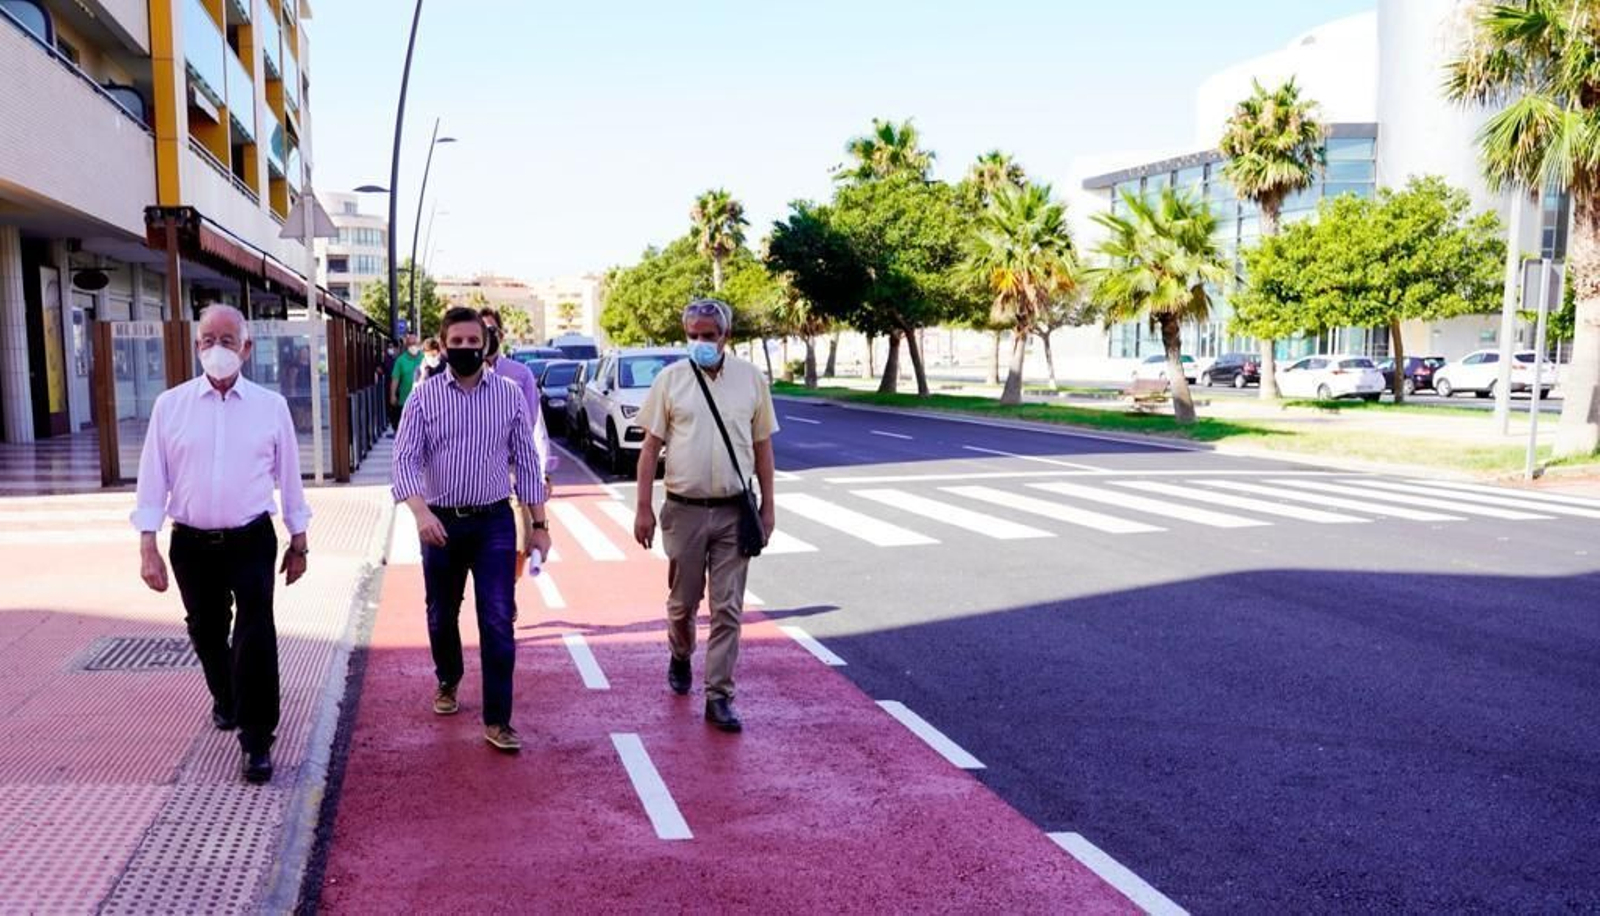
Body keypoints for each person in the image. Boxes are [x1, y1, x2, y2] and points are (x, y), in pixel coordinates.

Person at [132, 304, 311, 784]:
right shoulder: (170, 406)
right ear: (196, 347)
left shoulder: (270, 407)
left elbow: (289, 478)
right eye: (208, 340)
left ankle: (256, 740)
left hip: (251, 538)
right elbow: (152, 479)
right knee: (207, 631)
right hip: (191, 544)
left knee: (255, 633)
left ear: (246, 349)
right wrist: (147, 546)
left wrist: (299, 540)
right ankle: (228, 696)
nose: (217, 349)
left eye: (227, 340)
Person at [392, 306, 551, 753]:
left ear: (486, 344)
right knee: (441, 613)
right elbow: (404, 460)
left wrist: (539, 525)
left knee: (497, 617)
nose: (465, 348)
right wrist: (421, 514)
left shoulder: (508, 395)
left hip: (494, 523)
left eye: (473, 341)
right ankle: (448, 677)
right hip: (440, 523)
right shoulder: (423, 398)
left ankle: (498, 720)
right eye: (456, 342)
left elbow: (527, 462)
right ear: (443, 346)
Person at [633, 298, 778, 733]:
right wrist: (643, 507)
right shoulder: (671, 380)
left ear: (725, 336)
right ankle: (680, 653)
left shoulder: (751, 380)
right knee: (683, 604)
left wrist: (769, 507)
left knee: (727, 608)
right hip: (684, 510)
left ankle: (719, 696)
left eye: (708, 335)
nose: (700, 342)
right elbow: (650, 449)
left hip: (735, 511)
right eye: (693, 335)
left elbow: (763, 448)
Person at [477, 308, 556, 572]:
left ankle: (507, 587)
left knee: (518, 548)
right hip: (474, 484)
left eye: (491, 331)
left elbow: (534, 429)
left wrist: (543, 473)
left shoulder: (520, 375)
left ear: (501, 335)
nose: (486, 337)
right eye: (481, 331)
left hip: (512, 478)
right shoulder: (460, 376)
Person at [390, 334, 424, 430]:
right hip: (405, 401)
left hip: (423, 401)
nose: (413, 346)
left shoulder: (424, 358)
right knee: (406, 427)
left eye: (415, 343)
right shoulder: (400, 360)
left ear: (419, 344)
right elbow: (395, 378)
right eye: (410, 344)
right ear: (406, 346)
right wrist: (392, 395)